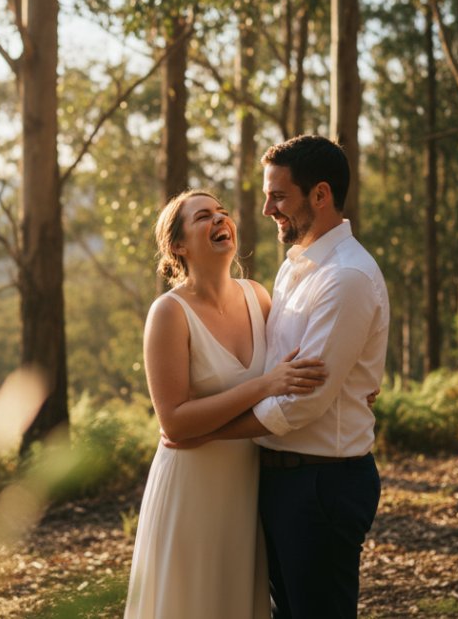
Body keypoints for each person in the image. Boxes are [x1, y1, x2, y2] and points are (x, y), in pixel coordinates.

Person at [166, 135, 389, 619]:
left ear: (321, 195)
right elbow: (275, 370)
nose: (266, 209)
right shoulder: (294, 269)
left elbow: (299, 403)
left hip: (320, 486)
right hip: (274, 484)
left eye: (279, 196)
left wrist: (207, 432)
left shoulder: (345, 277)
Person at [123, 189, 329, 619]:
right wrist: (263, 385)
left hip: (247, 489)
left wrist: (350, 386)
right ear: (178, 245)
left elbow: (297, 368)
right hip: (190, 488)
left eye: (221, 212)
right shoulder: (169, 313)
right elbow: (175, 423)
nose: (220, 220)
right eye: (203, 217)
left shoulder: (258, 296)